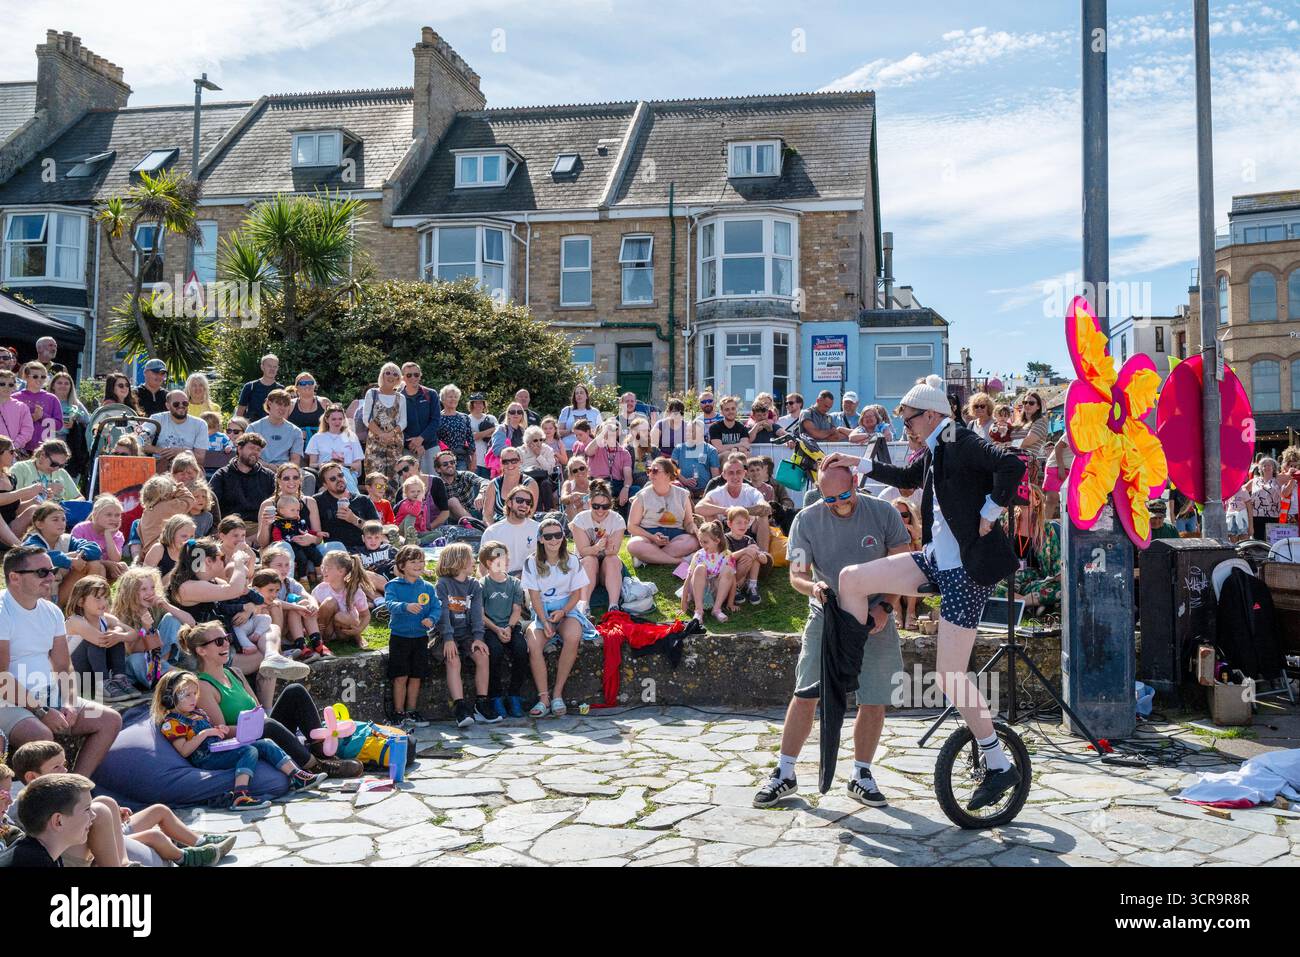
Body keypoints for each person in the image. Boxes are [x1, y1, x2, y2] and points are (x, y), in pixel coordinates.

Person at [823, 373, 1027, 812]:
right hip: (936, 562)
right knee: (852, 579)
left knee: (950, 677)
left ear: (932, 414)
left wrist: (991, 510)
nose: (906, 426)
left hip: (967, 574)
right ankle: (849, 664)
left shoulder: (956, 437)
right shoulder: (934, 447)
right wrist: (855, 461)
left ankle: (996, 762)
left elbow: (1012, 465)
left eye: (910, 419)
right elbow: (907, 479)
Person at [751, 462, 912, 809]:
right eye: (829, 499)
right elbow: (796, 575)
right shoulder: (806, 520)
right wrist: (814, 588)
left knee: (874, 696)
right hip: (827, 612)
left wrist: (885, 606)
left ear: (855, 483)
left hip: (875, 614)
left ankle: (861, 774)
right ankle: (785, 772)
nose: (839, 503)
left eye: (844, 495)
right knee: (807, 691)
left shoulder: (883, 512)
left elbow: (903, 566)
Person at [180, 618, 359, 780]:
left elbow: (257, 709)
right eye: (219, 642)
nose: (225, 645)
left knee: (294, 691)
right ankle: (314, 765)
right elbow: (221, 731)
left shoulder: (235, 673)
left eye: (227, 638)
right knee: (266, 724)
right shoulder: (203, 686)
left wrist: (260, 723)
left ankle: (322, 751)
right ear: (201, 650)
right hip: (240, 743)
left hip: (262, 732)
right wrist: (256, 727)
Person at [0, 546, 122, 777]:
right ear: (14, 578)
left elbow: (63, 666)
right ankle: (52, 799)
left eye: (52, 570)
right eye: (41, 572)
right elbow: (2, 679)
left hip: (48, 694)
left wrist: (67, 702)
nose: (51, 577)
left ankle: (77, 787)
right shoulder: (2, 611)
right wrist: (42, 711)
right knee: (42, 736)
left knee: (109, 720)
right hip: (7, 702)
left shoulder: (52, 612)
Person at [10, 741, 234, 867]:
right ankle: (178, 858)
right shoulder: (28, 805)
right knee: (149, 834)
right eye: (56, 768)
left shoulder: (61, 794)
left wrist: (112, 815)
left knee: (146, 810)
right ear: (31, 777)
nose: (65, 771)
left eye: (65, 765)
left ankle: (197, 842)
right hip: (78, 851)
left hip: (93, 842)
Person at [154, 668, 325, 812]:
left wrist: (218, 731)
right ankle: (240, 796)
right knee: (249, 750)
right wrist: (204, 734)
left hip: (216, 748)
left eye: (194, 694)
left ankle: (297, 776)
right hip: (204, 758)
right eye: (186, 695)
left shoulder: (197, 713)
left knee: (264, 743)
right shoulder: (172, 723)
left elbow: (210, 731)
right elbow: (184, 750)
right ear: (169, 698)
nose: (193, 699)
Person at [169, 537, 307, 707]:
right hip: (204, 655)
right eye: (221, 557)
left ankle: (273, 657)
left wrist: (249, 606)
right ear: (208, 561)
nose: (225, 560)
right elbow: (232, 589)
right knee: (265, 659)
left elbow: (244, 591)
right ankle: (266, 709)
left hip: (222, 642)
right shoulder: (187, 586)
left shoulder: (213, 581)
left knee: (270, 629)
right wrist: (238, 562)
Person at [523, 517, 594, 718]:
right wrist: (545, 621)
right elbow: (534, 596)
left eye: (558, 535)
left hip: (567, 609)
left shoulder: (572, 560)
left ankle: (557, 694)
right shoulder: (531, 562)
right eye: (548, 536)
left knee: (573, 636)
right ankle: (543, 697)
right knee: (534, 644)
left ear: (563, 537)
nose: (554, 540)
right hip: (542, 610)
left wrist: (563, 612)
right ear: (541, 539)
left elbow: (577, 594)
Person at [435, 543, 496, 727]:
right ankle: (460, 707)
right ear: (459, 561)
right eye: (470, 558)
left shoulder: (474, 586)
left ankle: (481, 703)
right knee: (453, 659)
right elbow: (443, 613)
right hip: (445, 634)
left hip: (467, 634)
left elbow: (477, 614)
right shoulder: (443, 585)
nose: (474, 561)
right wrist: (448, 638)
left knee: (482, 655)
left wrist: (478, 637)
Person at [383, 544, 440, 728]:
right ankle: (398, 712)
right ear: (402, 564)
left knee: (416, 675)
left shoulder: (428, 587)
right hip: (400, 638)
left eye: (421, 561)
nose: (418, 565)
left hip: (420, 638)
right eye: (413, 561)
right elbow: (390, 604)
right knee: (400, 676)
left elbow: (436, 607)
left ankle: (411, 711)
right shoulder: (393, 585)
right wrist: (405, 606)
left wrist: (431, 619)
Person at [112, 565, 194, 690]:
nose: (150, 593)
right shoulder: (121, 615)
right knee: (136, 659)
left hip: (158, 659)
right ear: (130, 592)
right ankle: (171, 677)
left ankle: (165, 670)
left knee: (171, 618)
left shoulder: (155, 607)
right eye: (143, 589)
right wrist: (145, 628)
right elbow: (133, 651)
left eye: (152, 588)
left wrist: (167, 606)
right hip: (137, 663)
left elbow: (191, 623)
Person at [62, 576, 137, 702]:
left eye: (105, 597)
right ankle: (102, 685)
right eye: (97, 598)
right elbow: (100, 640)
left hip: (91, 673)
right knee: (98, 640)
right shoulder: (75, 620)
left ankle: (119, 679)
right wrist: (116, 634)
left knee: (115, 637)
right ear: (81, 602)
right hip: (72, 674)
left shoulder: (105, 618)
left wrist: (118, 634)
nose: (103, 602)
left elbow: (133, 633)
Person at [478, 540, 530, 720]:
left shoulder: (514, 583)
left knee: (521, 650)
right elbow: (480, 614)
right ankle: (495, 696)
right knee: (495, 652)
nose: (506, 562)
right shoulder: (482, 585)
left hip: (510, 625)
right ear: (488, 563)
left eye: (506, 558)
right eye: (500, 559)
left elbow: (517, 609)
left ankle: (514, 694)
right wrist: (496, 629)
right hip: (490, 627)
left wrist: (509, 627)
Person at [25, 502, 105, 607]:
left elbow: (94, 549)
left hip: (60, 590)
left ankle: (89, 605)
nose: (61, 523)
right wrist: (70, 561)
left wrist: (80, 556)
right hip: (39, 596)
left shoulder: (67, 539)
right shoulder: (31, 541)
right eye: (55, 520)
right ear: (39, 524)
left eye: (63, 519)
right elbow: (40, 557)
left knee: (95, 565)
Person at [10, 772, 95, 867]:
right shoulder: (35, 863)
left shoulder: (32, 852)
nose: (93, 815)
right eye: (87, 809)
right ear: (58, 821)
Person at [626, 457, 700, 566]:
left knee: (693, 541)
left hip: (675, 536)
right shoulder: (641, 496)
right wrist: (652, 538)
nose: (650, 474)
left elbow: (688, 522)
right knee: (634, 544)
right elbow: (632, 526)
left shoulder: (683, 495)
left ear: (668, 474)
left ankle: (648, 558)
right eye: (649, 471)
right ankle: (678, 560)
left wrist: (692, 527)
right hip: (648, 536)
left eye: (654, 471)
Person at [696, 454, 772, 552]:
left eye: (738, 472)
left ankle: (763, 555)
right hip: (724, 530)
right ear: (724, 475)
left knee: (763, 515)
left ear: (744, 473)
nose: (735, 476)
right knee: (709, 516)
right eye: (731, 473)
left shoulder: (750, 491)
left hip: (747, 527)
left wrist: (740, 511)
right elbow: (699, 507)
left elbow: (765, 507)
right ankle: (718, 553)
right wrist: (726, 511)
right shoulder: (718, 492)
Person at [571, 481, 626, 615]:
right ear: (589, 504)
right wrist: (597, 547)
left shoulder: (617, 520)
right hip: (587, 564)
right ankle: (584, 606)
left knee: (612, 559)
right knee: (590, 559)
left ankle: (613, 606)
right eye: (596, 506)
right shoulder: (580, 519)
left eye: (605, 506)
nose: (600, 510)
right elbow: (583, 551)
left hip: (607, 566)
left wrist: (605, 548)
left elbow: (613, 551)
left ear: (610, 505)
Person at [312, 462, 379, 554]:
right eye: (333, 479)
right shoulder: (317, 501)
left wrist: (354, 520)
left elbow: (377, 529)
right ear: (325, 485)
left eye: (340, 475)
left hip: (363, 550)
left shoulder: (363, 499)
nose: (339, 479)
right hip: (336, 553)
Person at [210, 431, 276, 523]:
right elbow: (211, 504)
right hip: (230, 526)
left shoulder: (268, 476)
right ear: (239, 448)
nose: (255, 452)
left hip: (259, 526)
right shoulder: (222, 475)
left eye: (258, 450)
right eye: (252, 448)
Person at [311, 550, 369, 651]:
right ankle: (319, 640)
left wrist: (359, 629)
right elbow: (315, 612)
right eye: (322, 567)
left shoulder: (353, 590)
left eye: (327, 567)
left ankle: (358, 638)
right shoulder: (320, 589)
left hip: (343, 631)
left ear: (341, 571)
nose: (323, 570)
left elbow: (365, 615)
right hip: (326, 630)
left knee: (340, 616)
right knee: (330, 602)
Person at [683, 521, 737, 623]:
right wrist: (684, 602)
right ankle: (699, 611)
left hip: (717, 593)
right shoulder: (699, 555)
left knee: (728, 570)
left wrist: (730, 602)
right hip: (700, 592)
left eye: (705, 542)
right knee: (700, 568)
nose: (702, 545)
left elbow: (732, 580)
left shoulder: (727, 555)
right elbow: (689, 577)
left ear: (717, 540)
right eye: (700, 542)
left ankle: (716, 609)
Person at [482, 483, 540, 576]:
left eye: (528, 502)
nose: (524, 505)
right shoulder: (493, 532)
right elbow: (483, 566)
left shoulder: (538, 529)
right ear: (509, 503)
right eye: (519, 500)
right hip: (503, 580)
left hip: (532, 579)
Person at [362, 363, 407, 480]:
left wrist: (390, 434)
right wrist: (381, 434)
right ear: (382, 375)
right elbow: (366, 418)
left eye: (395, 373)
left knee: (394, 478)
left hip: (395, 443)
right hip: (375, 442)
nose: (391, 376)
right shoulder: (372, 393)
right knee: (375, 477)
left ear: (398, 378)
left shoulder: (400, 397)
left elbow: (403, 421)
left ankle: (391, 499)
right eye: (388, 372)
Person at [69, 493, 128, 583]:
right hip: (83, 569)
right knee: (99, 567)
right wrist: (105, 563)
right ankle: (97, 593)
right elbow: (79, 556)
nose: (113, 518)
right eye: (108, 515)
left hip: (106, 570)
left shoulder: (117, 535)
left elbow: (115, 559)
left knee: (122, 566)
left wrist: (108, 534)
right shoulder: (81, 529)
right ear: (96, 514)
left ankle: (128, 595)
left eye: (117, 515)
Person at [145, 389, 208, 465]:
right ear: (167, 406)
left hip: (187, 467)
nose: (181, 406)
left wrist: (180, 452)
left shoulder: (200, 424)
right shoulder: (157, 419)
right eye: (176, 404)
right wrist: (161, 451)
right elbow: (138, 442)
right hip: (160, 465)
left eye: (185, 403)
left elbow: (200, 458)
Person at [399, 362, 441, 473]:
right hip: (408, 449)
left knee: (433, 483)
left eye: (416, 375)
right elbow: (396, 425)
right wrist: (410, 444)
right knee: (409, 484)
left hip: (430, 446)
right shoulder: (397, 397)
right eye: (409, 375)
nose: (413, 378)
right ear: (403, 377)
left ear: (420, 375)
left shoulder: (431, 394)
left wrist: (421, 439)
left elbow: (436, 421)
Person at [248, 389, 304, 471]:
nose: (282, 408)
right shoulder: (254, 428)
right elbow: (249, 456)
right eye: (279, 404)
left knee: (309, 477)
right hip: (258, 468)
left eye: (286, 405)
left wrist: (282, 470)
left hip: (285, 471)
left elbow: (295, 460)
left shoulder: (296, 431)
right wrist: (269, 467)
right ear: (269, 403)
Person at [480, 446, 540, 523]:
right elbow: (487, 514)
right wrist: (493, 531)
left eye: (514, 461)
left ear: (520, 461)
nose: (510, 465)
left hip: (523, 527)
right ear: (501, 463)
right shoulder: (493, 485)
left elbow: (530, 513)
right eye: (505, 462)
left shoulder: (530, 484)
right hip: (498, 529)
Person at [0, 435, 42, 544]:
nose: (15, 455)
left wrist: (35, 499)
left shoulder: (9, 477)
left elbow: (14, 509)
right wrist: (27, 491)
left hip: (10, 528)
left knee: (35, 508)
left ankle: (42, 544)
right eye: (11, 451)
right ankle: (21, 548)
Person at [270, 492, 325, 574]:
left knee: (316, 555)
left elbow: (306, 530)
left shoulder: (298, 521)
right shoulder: (279, 523)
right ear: (282, 511)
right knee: (302, 559)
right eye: (292, 510)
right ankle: (303, 578)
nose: (296, 512)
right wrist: (281, 542)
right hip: (291, 547)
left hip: (304, 544)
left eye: (298, 510)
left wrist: (317, 533)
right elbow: (276, 535)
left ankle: (320, 575)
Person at [724, 506, 769, 606]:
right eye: (739, 522)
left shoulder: (748, 539)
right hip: (730, 576)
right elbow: (726, 558)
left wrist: (760, 556)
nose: (743, 525)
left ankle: (752, 586)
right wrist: (745, 551)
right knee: (749, 553)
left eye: (745, 522)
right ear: (730, 524)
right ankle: (734, 588)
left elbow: (764, 560)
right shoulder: (726, 538)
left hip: (744, 576)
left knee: (754, 553)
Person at [584, 419, 633, 512]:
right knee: (602, 490)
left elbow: (628, 476)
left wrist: (626, 488)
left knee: (634, 490)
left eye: (615, 428)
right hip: (597, 482)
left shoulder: (624, 452)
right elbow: (588, 451)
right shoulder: (597, 447)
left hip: (616, 483)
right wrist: (603, 432)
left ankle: (627, 523)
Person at [13, 361, 62, 453]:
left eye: (43, 377)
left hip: (44, 449)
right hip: (19, 447)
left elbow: (59, 425)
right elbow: (9, 422)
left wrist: (42, 416)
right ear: (26, 377)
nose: (39, 379)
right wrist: (31, 418)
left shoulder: (52, 399)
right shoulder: (15, 397)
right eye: (35, 376)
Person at [671, 419, 720, 498]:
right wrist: (684, 480)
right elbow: (673, 469)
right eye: (687, 431)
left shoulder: (711, 450)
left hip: (704, 490)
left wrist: (710, 491)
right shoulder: (678, 448)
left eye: (692, 431)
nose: (688, 434)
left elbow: (715, 476)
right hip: (682, 488)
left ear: (701, 433)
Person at [144, 513, 195, 587]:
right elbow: (146, 582)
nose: (188, 540)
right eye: (184, 536)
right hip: (159, 594)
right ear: (171, 534)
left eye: (191, 537)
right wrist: (180, 566)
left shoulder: (192, 552)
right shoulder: (158, 549)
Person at [433, 449, 486, 522]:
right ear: (438, 469)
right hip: (450, 518)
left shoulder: (465, 475)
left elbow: (486, 482)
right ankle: (476, 525)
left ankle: (474, 524)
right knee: (452, 502)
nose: (450, 465)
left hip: (472, 513)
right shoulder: (436, 483)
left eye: (452, 462)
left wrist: (481, 494)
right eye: (445, 464)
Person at [436, 383, 474, 472]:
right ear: (443, 399)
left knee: (461, 483)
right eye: (450, 397)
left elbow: (470, 440)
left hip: (462, 459)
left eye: (455, 397)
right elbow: (434, 439)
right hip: (443, 460)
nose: (453, 399)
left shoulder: (464, 417)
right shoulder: (437, 418)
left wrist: (474, 460)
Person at [286, 371, 329, 446]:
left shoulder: (324, 403)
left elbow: (337, 423)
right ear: (296, 387)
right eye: (303, 383)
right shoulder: (290, 405)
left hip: (322, 446)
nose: (307, 385)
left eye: (310, 383)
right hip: (295, 446)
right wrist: (298, 434)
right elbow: (281, 427)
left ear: (314, 385)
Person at [235, 353, 282, 423]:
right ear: (262, 367)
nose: (272, 369)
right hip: (252, 428)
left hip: (273, 428)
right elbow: (240, 412)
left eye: (275, 367)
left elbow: (284, 412)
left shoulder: (281, 389)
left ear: (277, 368)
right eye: (269, 366)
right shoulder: (250, 386)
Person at [0, 368, 35, 453]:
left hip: (12, 452)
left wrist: (14, 445)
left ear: (15, 386)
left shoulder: (22, 407)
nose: (6, 387)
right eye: (2, 384)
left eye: (11, 385)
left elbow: (28, 430)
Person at [1247, 457, 1282, 542]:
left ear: (1273, 468)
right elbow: (1242, 490)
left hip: (1273, 515)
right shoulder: (1254, 481)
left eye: (1269, 465)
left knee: (1272, 541)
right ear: (1260, 468)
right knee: (1259, 541)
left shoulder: (1278, 479)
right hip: (1256, 515)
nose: (1267, 467)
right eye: (1264, 465)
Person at [558, 385, 601, 451]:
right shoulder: (566, 410)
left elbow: (600, 432)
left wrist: (588, 431)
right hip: (568, 449)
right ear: (574, 397)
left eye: (581, 393)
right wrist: (572, 431)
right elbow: (558, 432)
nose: (579, 395)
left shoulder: (595, 412)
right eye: (577, 393)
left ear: (587, 396)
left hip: (589, 448)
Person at [467, 392, 497, 478]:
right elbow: (472, 437)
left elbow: (497, 434)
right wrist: (490, 430)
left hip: (490, 461)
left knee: (488, 489)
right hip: (473, 461)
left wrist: (480, 434)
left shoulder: (491, 418)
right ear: (471, 405)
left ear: (484, 405)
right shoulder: (467, 419)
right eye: (476, 402)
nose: (478, 405)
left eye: (480, 402)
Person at [1013, 391, 1050, 457]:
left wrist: (1007, 444)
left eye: (1031, 403)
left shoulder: (1041, 421)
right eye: (1025, 402)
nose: (1027, 405)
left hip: (1025, 462)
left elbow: (1028, 442)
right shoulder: (1018, 422)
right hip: (1009, 459)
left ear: (1038, 406)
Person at [560, 455, 592, 522]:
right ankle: (575, 530)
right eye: (575, 470)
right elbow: (563, 498)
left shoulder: (593, 484)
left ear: (586, 468)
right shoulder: (569, 484)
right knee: (571, 505)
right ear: (571, 474)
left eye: (582, 468)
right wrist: (572, 497)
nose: (579, 472)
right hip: (575, 518)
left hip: (592, 516)